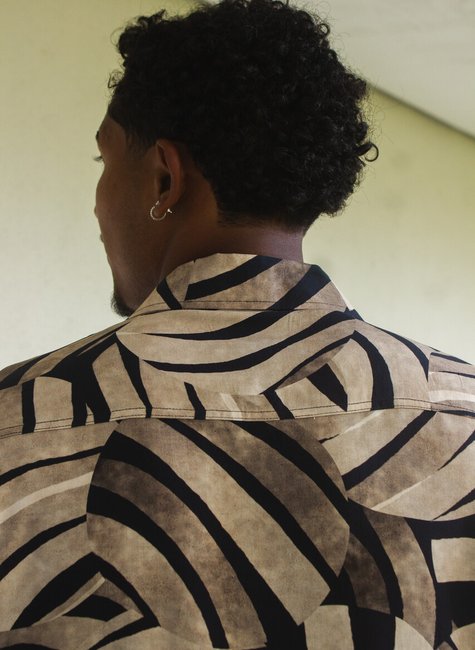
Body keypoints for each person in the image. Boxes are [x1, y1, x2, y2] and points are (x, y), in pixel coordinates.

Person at [0, 0, 473, 648]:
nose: (99, 203)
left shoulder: (16, 418)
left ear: (163, 178)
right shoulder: (461, 416)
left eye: (103, 161)